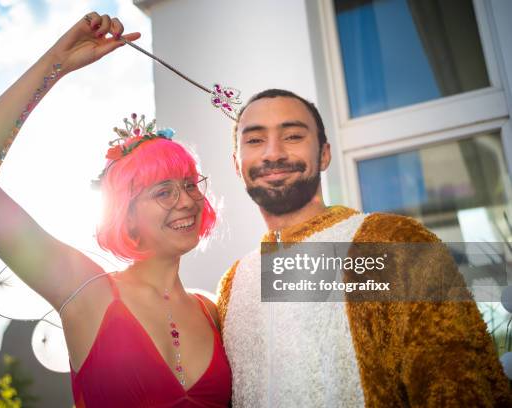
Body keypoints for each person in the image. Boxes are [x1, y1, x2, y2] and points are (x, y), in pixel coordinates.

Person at [0, 12, 231, 408]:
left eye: (189, 185)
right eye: (163, 191)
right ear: (125, 215)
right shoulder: (85, 291)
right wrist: (55, 65)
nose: (185, 200)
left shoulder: (213, 310)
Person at [216, 89, 512, 407]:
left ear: (324, 154)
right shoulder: (234, 284)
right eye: (255, 140)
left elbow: (462, 389)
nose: (273, 153)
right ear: (236, 163)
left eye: (292, 135)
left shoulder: (393, 241)